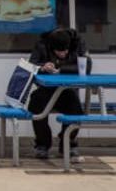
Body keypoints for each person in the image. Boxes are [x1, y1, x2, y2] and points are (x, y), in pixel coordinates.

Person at [27, 27, 89, 161]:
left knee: (75, 109)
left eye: (66, 51)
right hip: (46, 89)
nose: (63, 54)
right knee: (36, 105)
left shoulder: (78, 43)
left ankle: (68, 143)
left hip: (68, 90)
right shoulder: (42, 45)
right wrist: (43, 67)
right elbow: (31, 66)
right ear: (51, 47)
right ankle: (42, 144)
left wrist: (61, 69)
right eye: (59, 51)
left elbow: (86, 66)